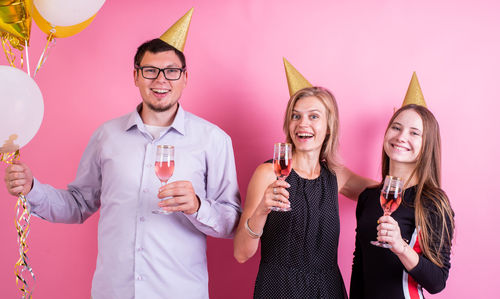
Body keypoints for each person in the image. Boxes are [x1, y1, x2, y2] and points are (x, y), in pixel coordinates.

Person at [3, 10, 241, 299]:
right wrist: (32, 188)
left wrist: (197, 206)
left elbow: (232, 222)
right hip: (113, 291)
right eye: (150, 70)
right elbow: (78, 204)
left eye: (171, 71)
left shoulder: (213, 140)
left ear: (185, 77)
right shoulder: (107, 136)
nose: (161, 80)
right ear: (136, 76)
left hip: (179, 291)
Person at [234, 59, 375, 298]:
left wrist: (400, 146)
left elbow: (386, 194)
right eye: (296, 116)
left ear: (329, 126)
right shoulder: (268, 173)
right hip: (278, 289)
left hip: (327, 290)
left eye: (313, 116)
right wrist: (261, 210)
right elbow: (241, 253)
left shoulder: (336, 176)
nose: (303, 124)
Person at [350, 104, 455, 298]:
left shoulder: (434, 203)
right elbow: (360, 265)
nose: (401, 137)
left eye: (414, 133)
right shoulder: (368, 197)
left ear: (427, 145)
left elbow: (437, 282)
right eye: (396, 127)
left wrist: (401, 247)